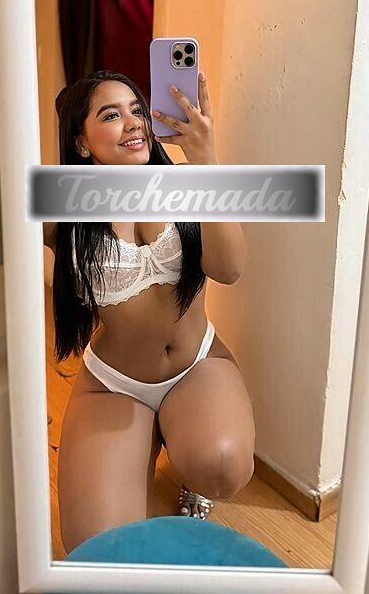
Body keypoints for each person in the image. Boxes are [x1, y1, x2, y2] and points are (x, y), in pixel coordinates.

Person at [50, 69, 255, 553]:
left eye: (137, 110)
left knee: (221, 465)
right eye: (111, 115)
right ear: (81, 143)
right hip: (115, 383)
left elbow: (228, 269)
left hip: (195, 366)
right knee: (94, 546)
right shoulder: (66, 211)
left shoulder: (187, 184)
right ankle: (144, 437)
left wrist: (206, 160)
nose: (134, 123)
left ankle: (187, 452)